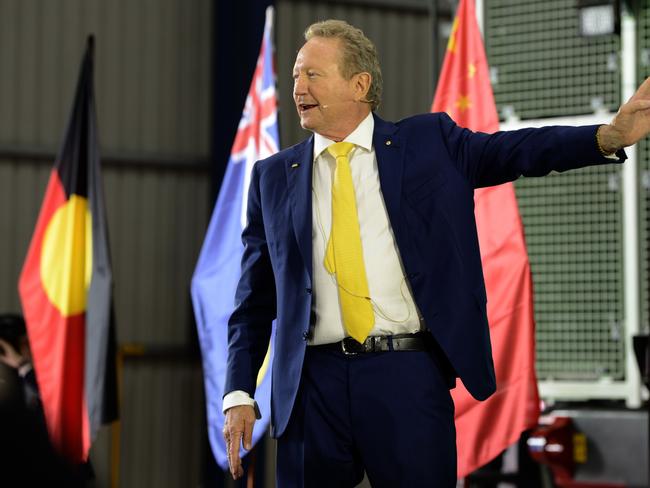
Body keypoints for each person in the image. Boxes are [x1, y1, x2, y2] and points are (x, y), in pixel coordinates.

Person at [221, 19, 650, 487]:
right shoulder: (273, 177)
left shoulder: (429, 144)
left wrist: (605, 137)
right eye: (296, 75)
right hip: (310, 388)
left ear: (359, 84)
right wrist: (239, 390)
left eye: (313, 75)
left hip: (406, 373)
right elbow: (253, 302)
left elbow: (518, 151)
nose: (298, 86)